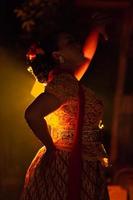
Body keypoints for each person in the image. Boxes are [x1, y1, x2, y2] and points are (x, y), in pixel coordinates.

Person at [21, 26, 110, 200]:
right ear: (57, 55)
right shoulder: (64, 83)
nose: (77, 45)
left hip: (81, 159)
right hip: (68, 162)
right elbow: (32, 114)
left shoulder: (68, 80)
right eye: (70, 42)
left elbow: (87, 57)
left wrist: (95, 31)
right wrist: (50, 146)